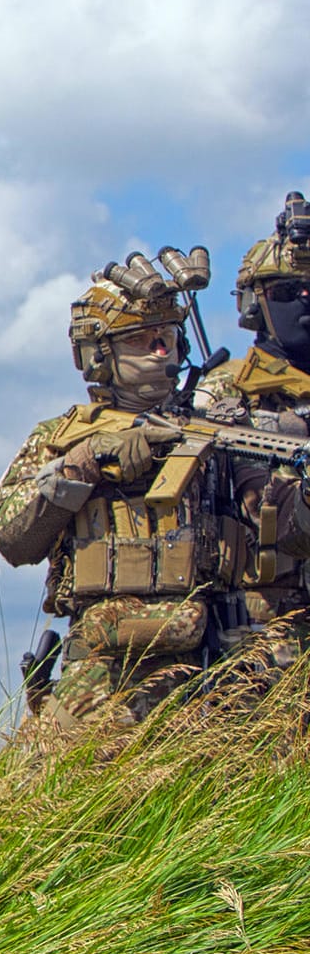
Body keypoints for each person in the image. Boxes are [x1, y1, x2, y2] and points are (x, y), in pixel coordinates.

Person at [0, 262, 270, 732]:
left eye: (169, 338)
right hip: (100, 677)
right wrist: (88, 462)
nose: (161, 352)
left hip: (212, 667)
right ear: (98, 354)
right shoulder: (62, 438)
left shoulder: (221, 432)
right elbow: (10, 537)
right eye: (142, 339)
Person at [189, 192, 310, 686]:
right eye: (286, 292)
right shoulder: (225, 394)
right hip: (268, 632)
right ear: (253, 304)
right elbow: (258, 512)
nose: (304, 301)